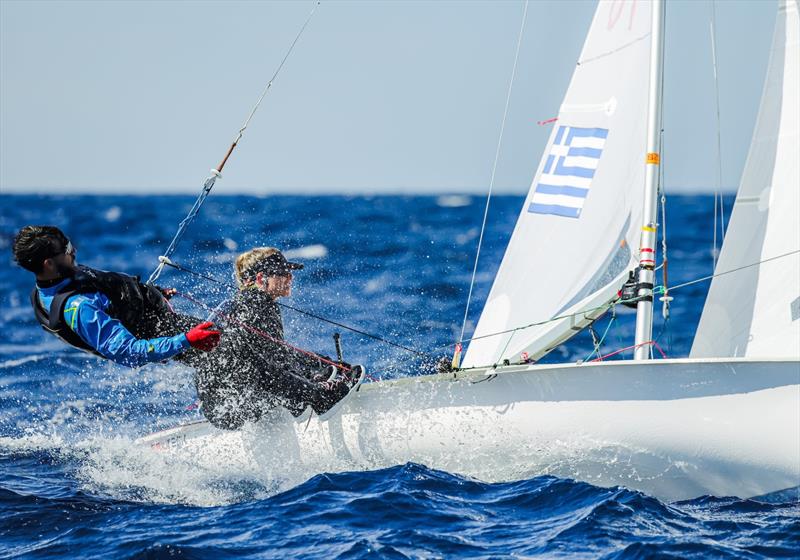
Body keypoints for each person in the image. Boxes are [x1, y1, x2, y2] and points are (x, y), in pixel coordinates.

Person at [193, 247, 363, 430]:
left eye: (289, 272)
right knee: (278, 367)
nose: (290, 277)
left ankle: (302, 397)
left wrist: (321, 364)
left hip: (219, 408)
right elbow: (274, 361)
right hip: (237, 407)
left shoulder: (239, 303)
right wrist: (313, 380)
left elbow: (275, 352)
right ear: (261, 279)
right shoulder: (259, 304)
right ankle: (319, 399)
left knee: (283, 365)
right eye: (282, 273)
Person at [12, 225, 221, 368]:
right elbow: (128, 353)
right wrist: (187, 340)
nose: (73, 250)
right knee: (228, 348)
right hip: (163, 335)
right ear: (48, 264)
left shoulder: (56, 278)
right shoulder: (80, 308)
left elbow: (108, 292)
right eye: (66, 248)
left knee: (226, 346)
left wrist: (152, 293)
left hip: (157, 320)